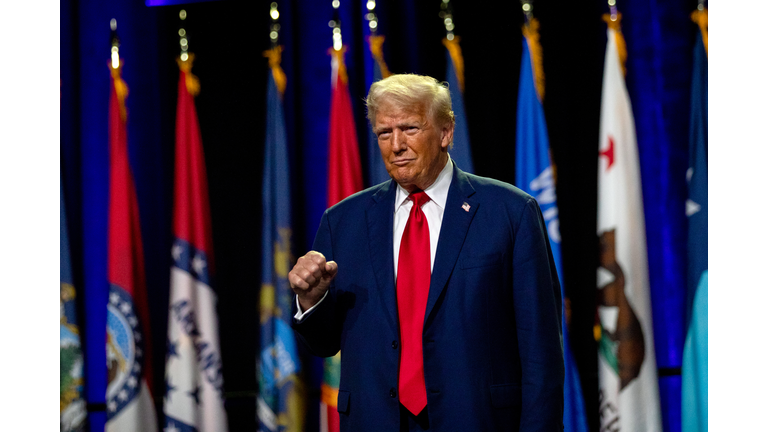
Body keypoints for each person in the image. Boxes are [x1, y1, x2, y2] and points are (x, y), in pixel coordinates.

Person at [289, 74, 563, 431]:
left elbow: (540, 349)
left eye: (410, 128)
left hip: (478, 420)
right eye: (384, 133)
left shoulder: (509, 213)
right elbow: (325, 344)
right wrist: (311, 301)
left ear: (446, 132)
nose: (396, 145)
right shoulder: (343, 221)